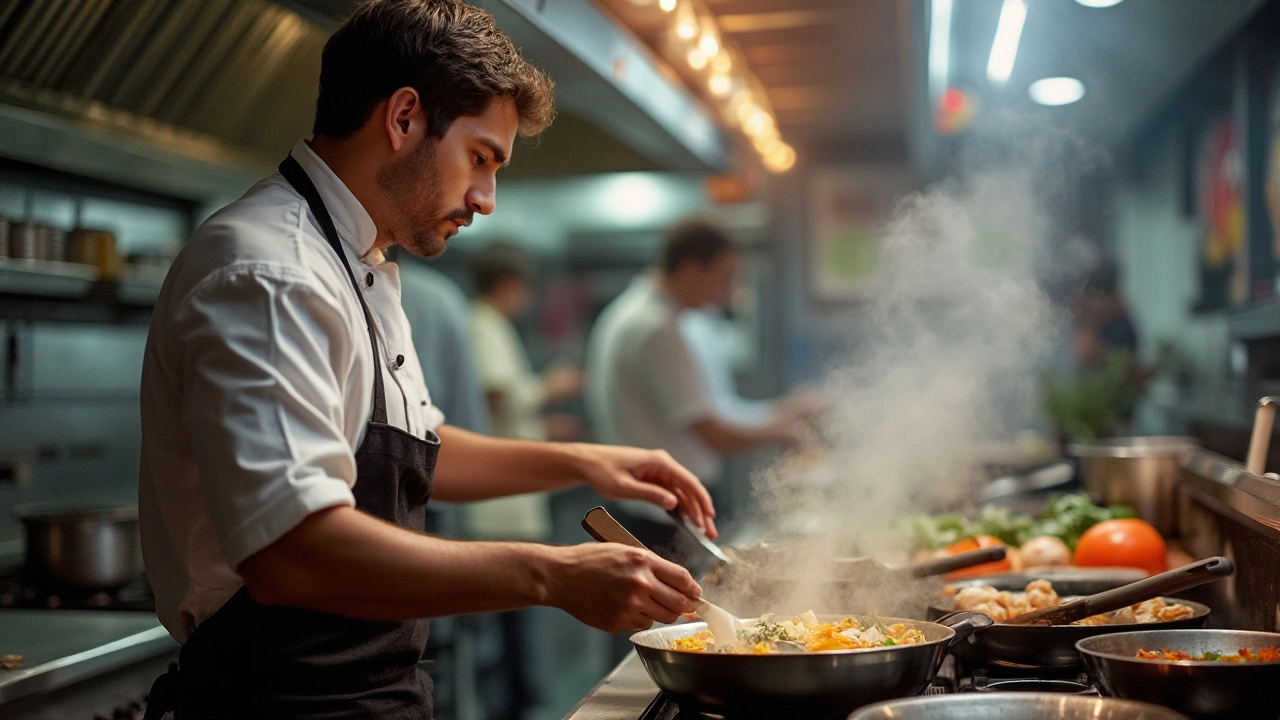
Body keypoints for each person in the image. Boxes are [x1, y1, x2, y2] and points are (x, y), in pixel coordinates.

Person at [136, 3, 715, 718]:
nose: (487, 199)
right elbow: (291, 553)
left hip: (371, 697)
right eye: (480, 158)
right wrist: (550, 575)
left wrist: (586, 462)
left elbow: (419, 454)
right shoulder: (271, 273)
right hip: (278, 701)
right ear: (404, 117)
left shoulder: (361, 265)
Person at [584, 218, 812, 558]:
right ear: (691, 269)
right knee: (677, 609)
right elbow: (711, 432)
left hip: (648, 506)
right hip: (661, 512)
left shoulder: (640, 313)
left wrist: (781, 413)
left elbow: (714, 409)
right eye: (726, 277)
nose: (730, 292)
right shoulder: (656, 327)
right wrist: (783, 432)